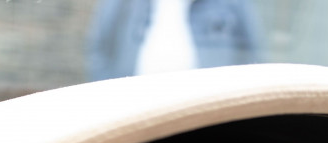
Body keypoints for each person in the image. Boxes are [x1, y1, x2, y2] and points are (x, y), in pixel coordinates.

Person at [87, 0, 259, 81]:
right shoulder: (123, 4)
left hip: (208, 114)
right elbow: (100, 51)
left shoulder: (232, 4)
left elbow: (252, 56)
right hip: (133, 113)